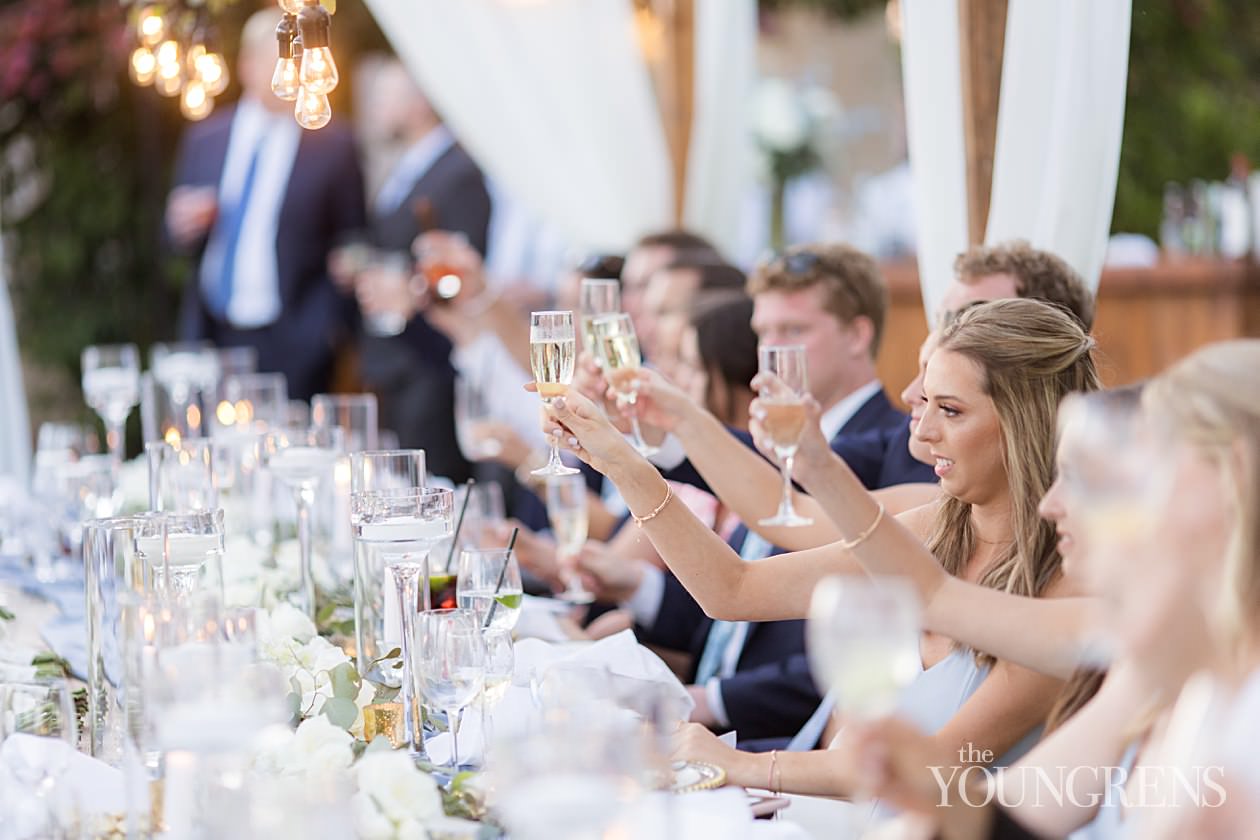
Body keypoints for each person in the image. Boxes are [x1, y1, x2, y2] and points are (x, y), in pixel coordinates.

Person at [543, 299, 1098, 809]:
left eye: (950, 410)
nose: (924, 430)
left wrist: (740, 765)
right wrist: (620, 463)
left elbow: (930, 768)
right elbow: (732, 590)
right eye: (925, 402)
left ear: (1026, 424)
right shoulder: (935, 524)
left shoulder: (1066, 584)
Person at [845, 341, 1260, 839]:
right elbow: (1017, 813)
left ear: (1232, 475)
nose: (1052, 504)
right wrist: (927, 792)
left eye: (1148, 472)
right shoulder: (1166, 661)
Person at [165, 9, 366, 401]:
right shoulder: (205, 138)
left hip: (296, 335)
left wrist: (324, 327)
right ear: (247, 66)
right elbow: (170, 236)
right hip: (215, 331)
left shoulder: (332, 144)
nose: (289, 77)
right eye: (280, 63)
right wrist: (180, 224)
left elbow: (352, 238)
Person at [352, 58, 491, 482]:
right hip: (397, 355)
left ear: (419, 104)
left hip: (431, 362)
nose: (373, 107)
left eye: (383, 97)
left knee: (429, 484)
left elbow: (466, 266)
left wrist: (409, 288)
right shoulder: (410, 163)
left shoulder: (458, 170)